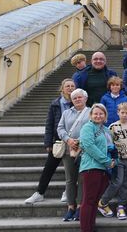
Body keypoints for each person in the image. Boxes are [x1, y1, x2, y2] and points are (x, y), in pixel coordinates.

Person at [25, 78, 75, 204]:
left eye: (72, 86)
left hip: (73, 141)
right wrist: (48, 142)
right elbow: (49, 124)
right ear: (62, 88)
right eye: (67, 86)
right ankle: (40, 193)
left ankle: (67, 192)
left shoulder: (78, 102)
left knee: (71, 170)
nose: (70, 88)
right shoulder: (55, 104)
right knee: (49, 168)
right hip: (58, 141)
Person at [97, 102, 127, 220]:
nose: (124, 115)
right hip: (118, 159)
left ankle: (121, 206)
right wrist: (111, 158)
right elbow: (109, 143)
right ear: (118, 113)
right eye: (122, 112)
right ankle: (103, 202)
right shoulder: (113, 127)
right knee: (118, 182)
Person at [78, 103, 116, 232]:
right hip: (91, 167)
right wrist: (106, 161)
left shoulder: (106, 130)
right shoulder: (87, 127)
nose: (98, 116)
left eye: (101, 113)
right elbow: (89, 147)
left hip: (103, 169)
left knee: (94, 201)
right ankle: (85, 229)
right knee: (88, 200)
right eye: (95, 113)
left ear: (105, 116)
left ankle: (91, 227)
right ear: (91, 115)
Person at [57, 88, 91, 221]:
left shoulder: (90, 112)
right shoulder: (66, 113)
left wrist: (82, 141)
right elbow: (60, 128)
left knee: (82, 179)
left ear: (85, 98)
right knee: (70, 179)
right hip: (69, 149)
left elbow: (95, 127)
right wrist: (68, 140)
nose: (77, 99)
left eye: (80, 97)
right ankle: (71, 206)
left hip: (85, 150)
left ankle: (80, 207)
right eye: (75, 98)